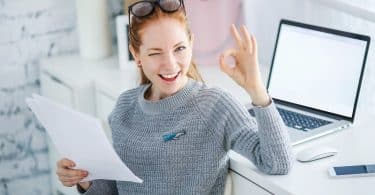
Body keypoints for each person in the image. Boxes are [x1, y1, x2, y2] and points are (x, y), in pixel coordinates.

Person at [56, 0, 293, 194]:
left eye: (179, 49)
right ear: (137, 55)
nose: (170, 64)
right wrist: (84, 179)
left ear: (191, 44)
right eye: (155, 53)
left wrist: (256, 90)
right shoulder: (124, 108)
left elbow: (277, 162)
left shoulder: (214, 105)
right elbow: (113, 190)